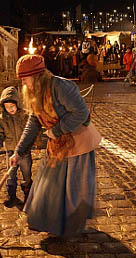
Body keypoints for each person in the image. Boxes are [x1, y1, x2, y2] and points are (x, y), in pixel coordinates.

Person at [10, 54, 101, 237]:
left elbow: (81, 113)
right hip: (57, 144)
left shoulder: (61, 86)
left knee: (73, 189)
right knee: (48, 183)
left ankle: (69, 228)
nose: (23, 83)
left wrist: (57, 130)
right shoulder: (33, 92)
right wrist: (19, 151)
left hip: (78, 141)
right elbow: (34, 122)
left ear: (37, 76)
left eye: (25, 78)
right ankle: (49, 222)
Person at [0, 86, 33, 208]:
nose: (10, 109)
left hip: (24, 152)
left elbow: (32, 132)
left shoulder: (24, 115)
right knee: (10, 174)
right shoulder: (2, 119)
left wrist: (37, 144)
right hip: (10, 151)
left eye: (12, 106)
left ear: (17, 103)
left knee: (27, 173)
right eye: (7, 107)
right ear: (3, 107)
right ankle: (11, 196)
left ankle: (28, 196)